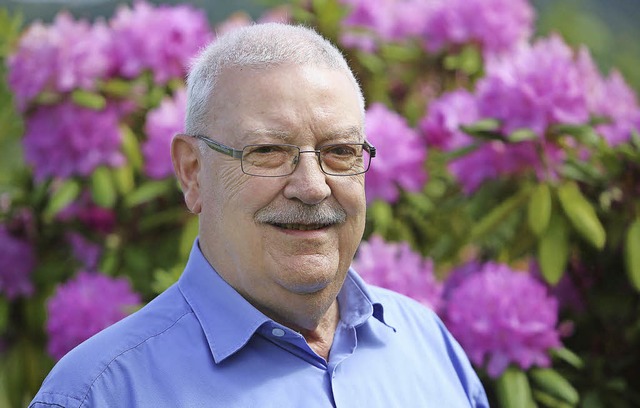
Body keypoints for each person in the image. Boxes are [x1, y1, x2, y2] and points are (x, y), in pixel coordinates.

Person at [30, 23, 489, 407]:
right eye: (268, 151)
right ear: (192, 173)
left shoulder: (427, 344)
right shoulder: (99, 393)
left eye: (340, 151)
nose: (312, 185)